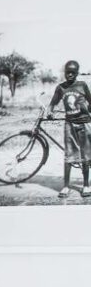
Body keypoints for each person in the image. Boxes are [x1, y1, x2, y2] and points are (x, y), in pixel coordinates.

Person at [48, 60, 91, 198]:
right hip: (69, 125)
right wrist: (50, 111)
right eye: (68, 72)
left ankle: (86, 185)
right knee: (69, 155)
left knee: (86, 155)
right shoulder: (61, 87)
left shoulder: (82, 85)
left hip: (85, 123)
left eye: (73, 72)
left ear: (77, 73)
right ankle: (66, 186)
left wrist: (87, 109)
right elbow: (52, 103)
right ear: (65, 72)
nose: (70, 75)